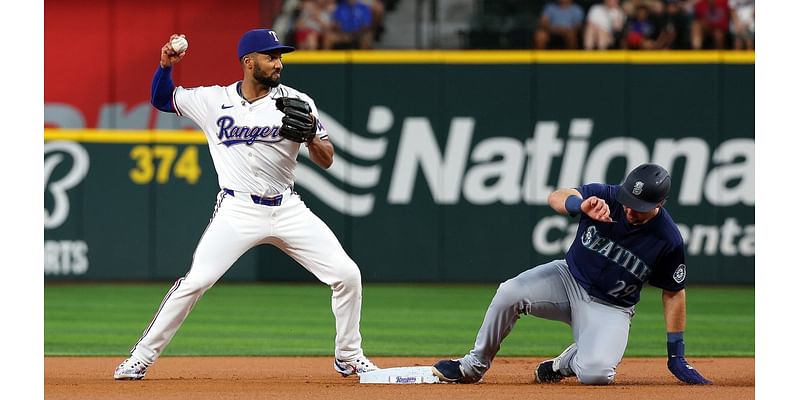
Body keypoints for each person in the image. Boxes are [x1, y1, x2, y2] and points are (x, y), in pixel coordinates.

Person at [113, 29, 378, 380]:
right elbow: (162, 98)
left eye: (280, 57)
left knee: (347, 275)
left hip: (287, 208)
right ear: (249, 62)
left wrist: (312, 132)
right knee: (196, 281)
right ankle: (141, 357)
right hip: (238, 211)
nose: (278, 63)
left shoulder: (298, 102)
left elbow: (327, 159)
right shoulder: (213, 100)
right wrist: (165, 66)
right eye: (271, 57)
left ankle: (348, 355)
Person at [432, 163, 712, 386]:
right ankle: (472, 367)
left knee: (597, 374)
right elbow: (557, 196)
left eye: (638, 207)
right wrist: (579, 205)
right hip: (566, 279)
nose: (629, 209)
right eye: (628, 200)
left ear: (659, 204)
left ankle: (562, 364)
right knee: (509, 292)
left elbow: (674, 292)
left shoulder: (668, 239)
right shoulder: (608, 196)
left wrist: (676, 354)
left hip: (611, 306)